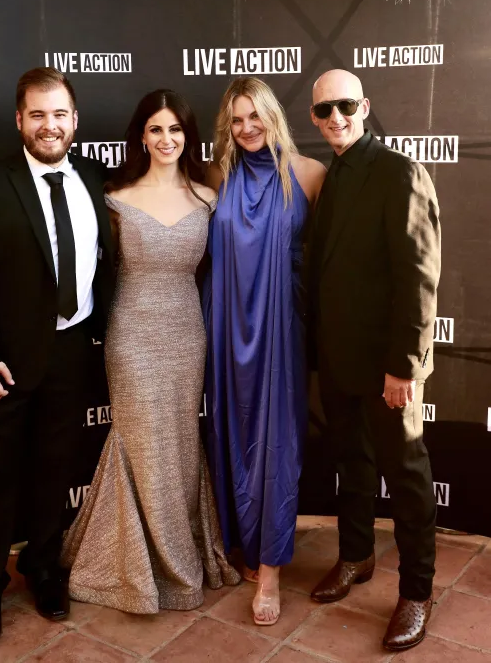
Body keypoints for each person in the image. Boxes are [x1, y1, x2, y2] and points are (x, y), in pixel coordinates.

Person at [0, 67, 115, 649]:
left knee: (55, 467)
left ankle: (44, 566)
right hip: (4, 361)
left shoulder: (95, 180)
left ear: (75, 120)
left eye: (59, 114)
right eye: (38, 114)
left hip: (71, 351)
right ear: (20, 120)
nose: (50, 125)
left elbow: (106, 265)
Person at [61, 89, 240, 613]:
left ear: (189, 136)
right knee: (140, 439)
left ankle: (179, 551)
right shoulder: (113, 196)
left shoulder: (209, 197)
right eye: (156, 129)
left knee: (180, 441)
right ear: (142, 134)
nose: (166, 139)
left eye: (176, 130)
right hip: (131, 334)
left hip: (187, 332)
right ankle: (134, 566)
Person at [308, 69, 441, 652]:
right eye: (323, 111)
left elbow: (419, 278)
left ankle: (417, 590)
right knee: (352, 466)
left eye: (344, 106)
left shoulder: (399, 172)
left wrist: (404, 368)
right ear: (313, 117)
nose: (335, 118)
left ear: (364, 106)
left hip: (388, 366)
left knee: (407, 476)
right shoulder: (331, 176)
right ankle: (356, 557)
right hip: (337, 360)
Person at [203, 77, 326, 626]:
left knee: (278, 442)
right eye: (236, 120)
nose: (248, 128)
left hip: (282, 329)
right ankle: (244, 547)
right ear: (226, 127)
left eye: (257, 117)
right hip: (226, 327)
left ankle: (272, 568)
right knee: (230, 430)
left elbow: (334, 257)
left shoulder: (310, 175)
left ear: (275, 117)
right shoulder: (214, 176)